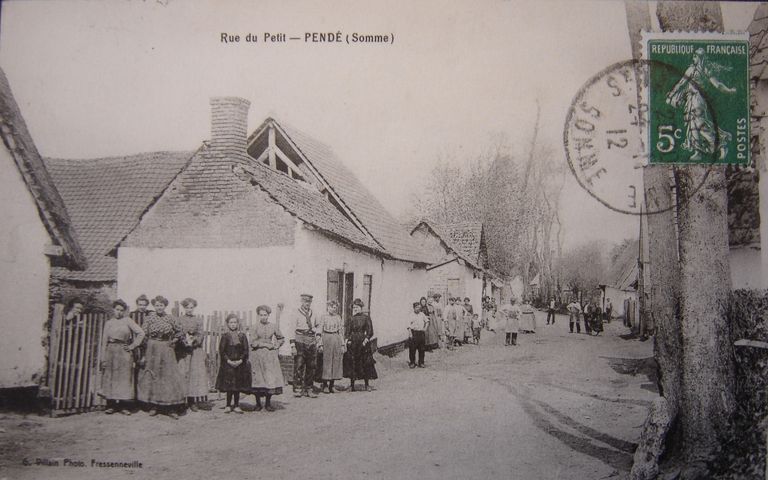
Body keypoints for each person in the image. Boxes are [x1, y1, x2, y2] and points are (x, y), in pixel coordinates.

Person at [137, 295, 185, 418]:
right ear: (154, 306)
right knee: (153, 376)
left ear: (165, 306)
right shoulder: (149, 318)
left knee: (168, 377)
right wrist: (144, 352)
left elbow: (180, 331)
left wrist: (173, 341)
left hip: (166, 349)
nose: (159, 307)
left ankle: (170, 408)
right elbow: (143, 335)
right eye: (157, 305)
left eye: (161, 305)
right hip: (152, 349)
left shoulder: (170, 318)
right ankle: (154, 406)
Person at [99, 299, 145, 414]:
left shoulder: (128, 321)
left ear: (124, 311)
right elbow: (104, 341)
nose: (119, 312)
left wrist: (132, 346)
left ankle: (124, 406)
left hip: (124, 352)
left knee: (124, 378)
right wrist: (103, 357)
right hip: (111, 351)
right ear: (113, 309)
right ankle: (111, 405)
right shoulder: (109, 323)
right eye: (117, 309)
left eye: (121, 310)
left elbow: (141, 333)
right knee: (111, 376)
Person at [250, 305, 285, 411]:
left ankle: (268, 403)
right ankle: (258, 403)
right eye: (261, 315)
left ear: (268, 315)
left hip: (270, 356)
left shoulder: (273, 326)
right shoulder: (254, 327)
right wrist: (265, 345)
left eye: (265, 315)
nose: (263, 317)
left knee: (270, 378)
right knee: (258, 378)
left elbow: (281, 338)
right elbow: (253, 342)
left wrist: (277, 345)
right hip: (257, 355)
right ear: (258, 315)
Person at [215, 313, 251, 413]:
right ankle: (228, 405)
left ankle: (236, 405)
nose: (233, 324)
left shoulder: (242, 336)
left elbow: (246, 350)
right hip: (228, 365)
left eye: (235, 322)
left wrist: (240, 360)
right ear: (227, 324)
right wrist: (228, 361)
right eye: (231, 322)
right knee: (229, 386)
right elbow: (222, 351)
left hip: (240, 365)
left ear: (238, 323)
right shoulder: (225, 336)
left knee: (237, 386)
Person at [176, 297, 207, 412]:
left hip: (195, 351)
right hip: (183, 351)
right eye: (187, 307)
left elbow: (201, 334)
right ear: (184, 308)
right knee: (183, 374)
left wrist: (194, 341)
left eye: (191, 307)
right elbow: (178, 333)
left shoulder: (198, 320)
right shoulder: (179, 320)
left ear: (194, 308)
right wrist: (184, 342)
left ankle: (192, 401)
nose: (189, 310)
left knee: (194, 375)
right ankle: (181, 401)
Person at [288, 293, 320, 398]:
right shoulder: (296, 313)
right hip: (299, 340)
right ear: (302, 301)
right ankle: (298, 388)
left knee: (311, 365)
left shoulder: (314, 313)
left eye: (309, 302)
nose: (307, 304)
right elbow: (292, 329)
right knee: (299, 365)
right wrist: (292, 345)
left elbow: (318, 325)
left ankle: (309, 388)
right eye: (305, 301)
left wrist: (317, 334)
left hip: (311, 340)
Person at [344, 298, 377, 391]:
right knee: (352, 363)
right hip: (353, 343)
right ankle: (352, 386)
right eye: (354, 307)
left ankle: (367, 385)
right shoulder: (351, 318)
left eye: (357, 307)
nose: (355, 309)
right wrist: (347, 340)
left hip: (363, 343)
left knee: (365, 363)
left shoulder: (366, 318)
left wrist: (366, 339)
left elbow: (370, 331)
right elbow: (347, 331)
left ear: (361, 308)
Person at [318, 300, 344, 394]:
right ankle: (325, 384)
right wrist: (320, 344)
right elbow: (319, 331)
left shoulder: (338, 317)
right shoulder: (323, 317)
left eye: (334, 307)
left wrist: (342, 344)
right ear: (327, 307)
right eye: (331, 306)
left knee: (335, 361)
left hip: (336, 339)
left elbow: (341, 331)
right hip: (326, 339)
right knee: (326, 362)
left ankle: (332, 385)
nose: (333, 308)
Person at [408, 301, 428, 368]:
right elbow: (408, 326)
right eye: (417, 307)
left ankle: (421, 362)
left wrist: (425, 328)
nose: (418, 309)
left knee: (422, 349)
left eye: (419, 307)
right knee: (412, 349)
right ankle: (412, 362)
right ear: (414, 308)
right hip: (414, 333)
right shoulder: (411, 315)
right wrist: (410, 333)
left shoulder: (422, 314)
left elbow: (427, 321)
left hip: (421, 333)